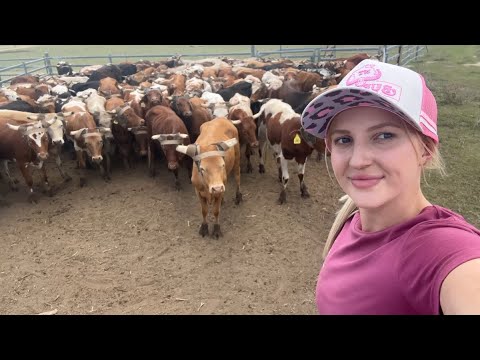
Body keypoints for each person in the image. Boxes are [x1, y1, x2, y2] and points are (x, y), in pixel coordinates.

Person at [300, 58, 480, 315]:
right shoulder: (350, 220)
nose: (359, 160)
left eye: (384, 136)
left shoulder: (441, 249)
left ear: (426, 149)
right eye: (344, 139)